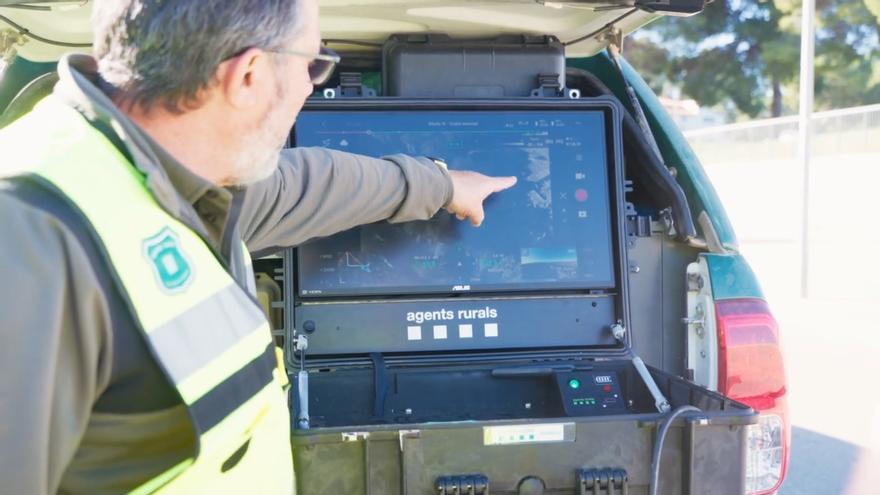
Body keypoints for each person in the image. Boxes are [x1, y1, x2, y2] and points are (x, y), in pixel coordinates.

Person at [0, 0, 516, 493]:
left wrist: (443, 185)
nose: (309, 90)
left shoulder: (190, 180)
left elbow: (309, 184)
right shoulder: (28, 239)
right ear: (248, 76)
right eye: (311, 65)